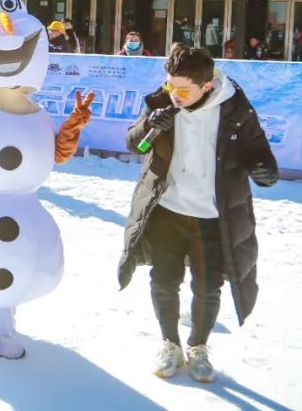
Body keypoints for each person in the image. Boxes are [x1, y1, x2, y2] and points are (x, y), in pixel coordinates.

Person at [118, 45, 278, 383]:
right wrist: (151, 123)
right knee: (164, 281)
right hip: (167, 212)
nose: (174, 94)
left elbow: (259, 152)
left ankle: (199, 346)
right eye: (169, 86)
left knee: (208, 288)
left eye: (183, 90)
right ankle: (170, 344)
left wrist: (264, 169)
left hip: (212, 216)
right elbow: (135, 145)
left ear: (207, 86)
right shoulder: (163, 101)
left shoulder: (235, 109)